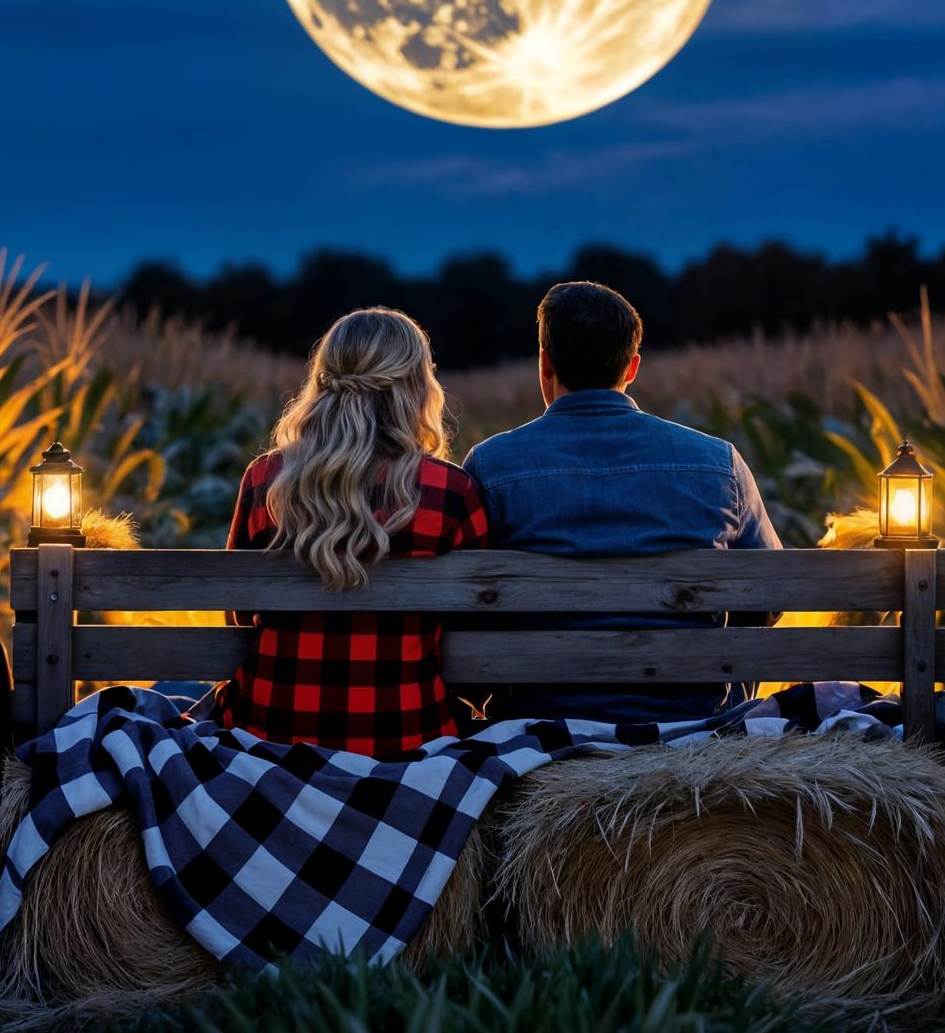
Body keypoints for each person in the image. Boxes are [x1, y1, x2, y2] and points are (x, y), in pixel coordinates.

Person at [460, 280, 780, 724]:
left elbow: (468, 607)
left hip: (540, 725)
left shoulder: (489, 467)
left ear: (545, 363)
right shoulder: (719, 464)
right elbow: (770, 592)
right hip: (689, 723)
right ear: (632, 368)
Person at [202, 307, 489, 757]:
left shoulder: (265, 482)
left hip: (268, 732)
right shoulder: (451, 491)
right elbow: (474, 626)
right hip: (409, 734)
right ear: (416, 386)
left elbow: (240, 613)